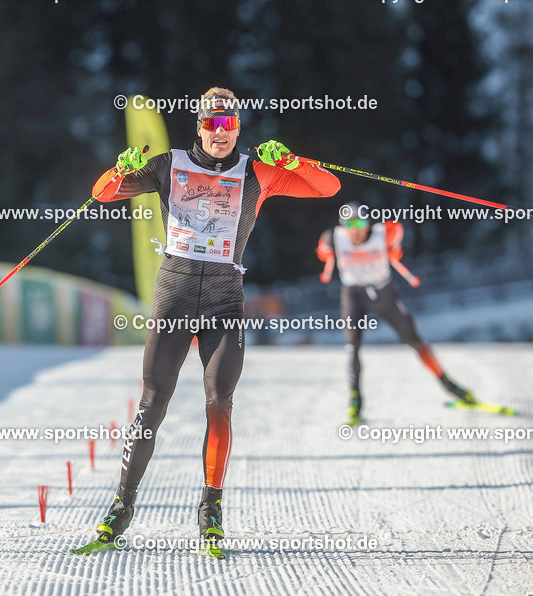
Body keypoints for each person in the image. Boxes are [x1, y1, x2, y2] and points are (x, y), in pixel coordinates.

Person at [72, 88, 340, 555]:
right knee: (153, 400)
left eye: (230, 125)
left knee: (220, 400)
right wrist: (119, 168)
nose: (221, 134)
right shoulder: (168, 164)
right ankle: (121, 506)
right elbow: (102, 195)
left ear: (238, 128)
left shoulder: (257, 171)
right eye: (213, 125)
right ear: (199, 126)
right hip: (174, 296)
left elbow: (329, 188)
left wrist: (294, 162)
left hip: (223, 300)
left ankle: (210, 509)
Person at [316, 202, 475, 426]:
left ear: (368, 222)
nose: (356, 229)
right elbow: (322, 252)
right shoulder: (333, 238)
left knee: (415, 340)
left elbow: (397, 230)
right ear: (343, 225)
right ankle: (355, 400)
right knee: (352, 347)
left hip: (384, 294)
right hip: (354, 296)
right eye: (350, 224)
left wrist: (394, 247)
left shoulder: (382, 233)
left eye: (360, 222)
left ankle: (448, 382)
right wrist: (325, 251)